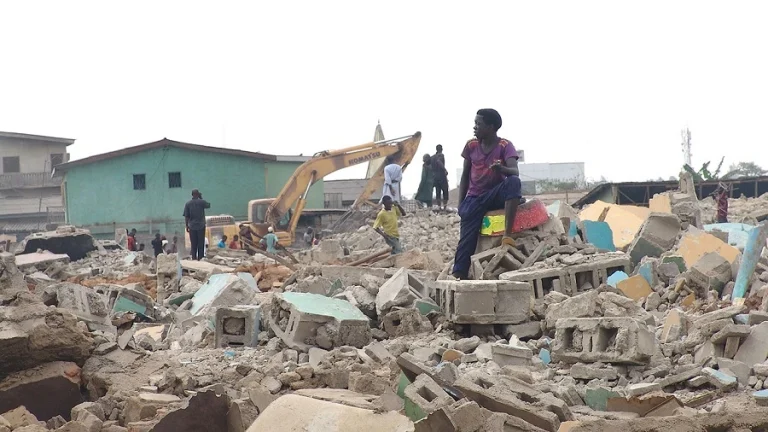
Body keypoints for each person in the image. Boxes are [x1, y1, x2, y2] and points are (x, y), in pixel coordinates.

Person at [452, 109, 521, 280]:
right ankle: (459, 274)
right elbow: (465, 175)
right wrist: (461, 204)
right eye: (475, 123)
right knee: (466, 240)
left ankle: (507, 235)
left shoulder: (504, 145)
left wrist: (501, 169)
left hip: (494, 194)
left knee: (513, 182)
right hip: (474, 198)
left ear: (491, 127)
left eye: (478, 124)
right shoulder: (471, 146)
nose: (474, 127)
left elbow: (514, 171)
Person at [183, 189, 211, 260]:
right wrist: (201, 198)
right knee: (200, 243)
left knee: (193, 244)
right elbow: (208, 205)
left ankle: (194, 258)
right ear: (198, 194)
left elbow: (186, 216)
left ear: (192, 195)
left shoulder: (188, 204)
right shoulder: (201, 202)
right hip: (201, 226)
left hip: (192, 226)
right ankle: (200, 258)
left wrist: (187, 226)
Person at [432, 144, 449, 210]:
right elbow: (439, 161)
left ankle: (439, 207)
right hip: (441, 176)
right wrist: (445, 169)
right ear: (441, 149)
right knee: (445, 191)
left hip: (435, 177)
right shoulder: (441, 155)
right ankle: (444, 207)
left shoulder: (432, 157)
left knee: (438, 192)